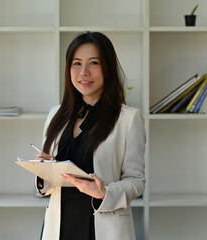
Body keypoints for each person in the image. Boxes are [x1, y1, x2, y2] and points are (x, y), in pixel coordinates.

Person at [35, 31, 146, 240]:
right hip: (59, 227)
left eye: (93, 63)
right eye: (76, 63)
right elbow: (48, 187)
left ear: (108, 68)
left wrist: (104, 193)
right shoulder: (56, 115)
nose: (83, 72)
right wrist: (42, 172)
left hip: (103, 228)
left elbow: (136, 181)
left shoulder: (129, 119)